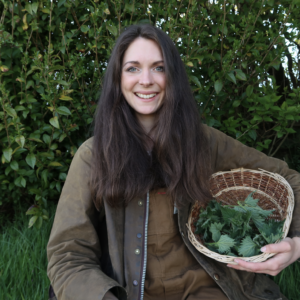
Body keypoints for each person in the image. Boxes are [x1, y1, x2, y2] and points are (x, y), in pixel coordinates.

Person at [47, 24, 300, 300]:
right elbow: (67, 254)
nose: (146, 80)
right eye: (132, 68)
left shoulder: (204, 142)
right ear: (117, 79)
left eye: (159, 67)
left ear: (173, 76)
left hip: (214, 291)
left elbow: (291, 181)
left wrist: (297, 244)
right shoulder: (94, 156)